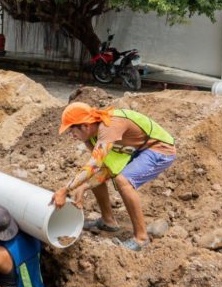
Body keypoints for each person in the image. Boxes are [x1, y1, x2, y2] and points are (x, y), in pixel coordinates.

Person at [51, 102, 176, 251]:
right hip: (133, 150)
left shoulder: (109, 126)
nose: (72, 136)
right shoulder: (89, 138)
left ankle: (141, 238)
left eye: (72, 131)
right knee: (91, 179)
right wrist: (84, 186)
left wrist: (65, 190)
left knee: (123, 181)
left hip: (159, 149)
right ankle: (108, 221)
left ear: (85, 125)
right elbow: (102, 167)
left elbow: (94, 164)